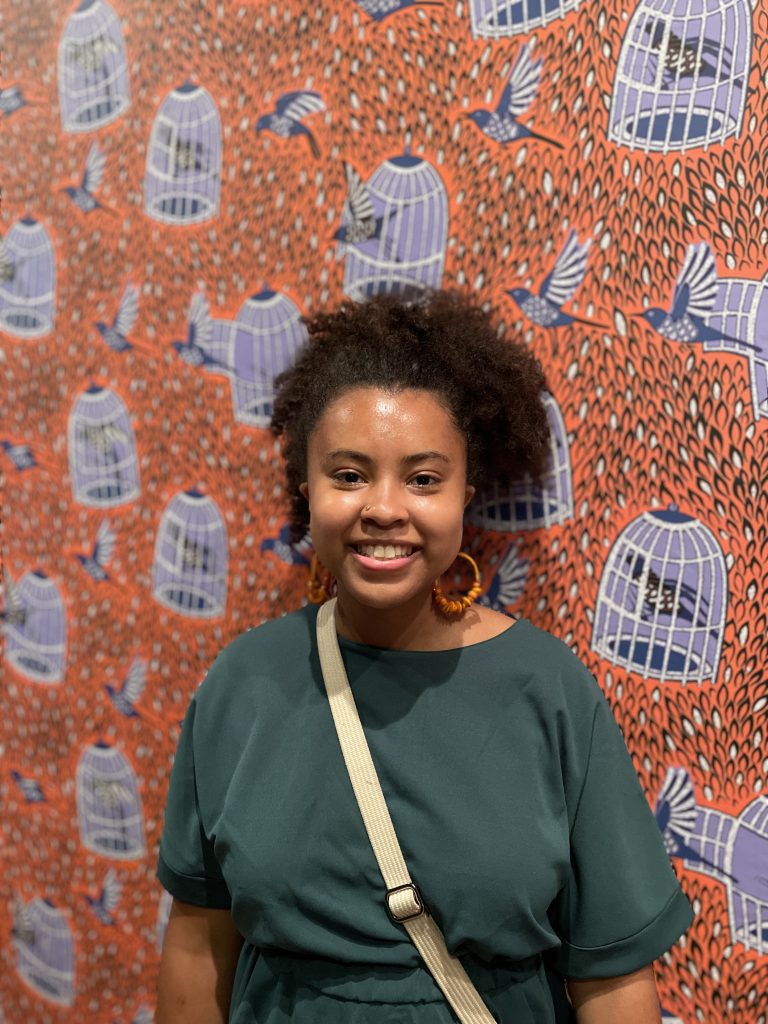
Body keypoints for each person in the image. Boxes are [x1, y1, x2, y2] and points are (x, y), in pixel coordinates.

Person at [156, 291, 693, 1024]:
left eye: (423, 478)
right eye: (348, 475)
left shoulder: (550, 691)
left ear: (466, 493)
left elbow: (614, 982)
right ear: (305, 489)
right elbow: (197, 946)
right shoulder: (241, 686)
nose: (383, 507)